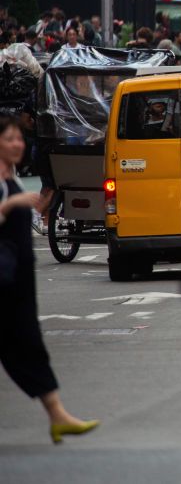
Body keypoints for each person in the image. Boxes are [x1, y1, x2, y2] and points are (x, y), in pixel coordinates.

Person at [0, 117, 100, 445]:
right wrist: (15, 203)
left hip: (15, 282)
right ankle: (58, 415)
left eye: (19, 139)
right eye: (10, 139)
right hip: (6, 283)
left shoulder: (9, 176)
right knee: (26, 345)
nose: (18, 144)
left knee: (27, 346)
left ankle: (57, 416)